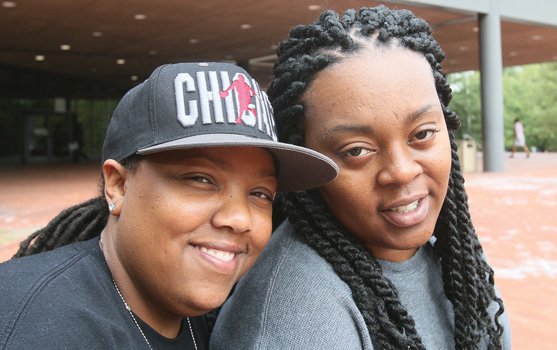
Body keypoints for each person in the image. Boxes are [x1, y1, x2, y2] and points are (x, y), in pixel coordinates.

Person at [211, 6, 511, 350]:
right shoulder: (296, 319)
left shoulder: (456, 259)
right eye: (356, 151)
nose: (401, 170)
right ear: (308, 162)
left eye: (423, 134)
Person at [0, 62, 338, 349]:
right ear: (118, 186)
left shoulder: (204, 316)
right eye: (200, 179)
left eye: (260, 193)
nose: (238, 218)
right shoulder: (36, 327)